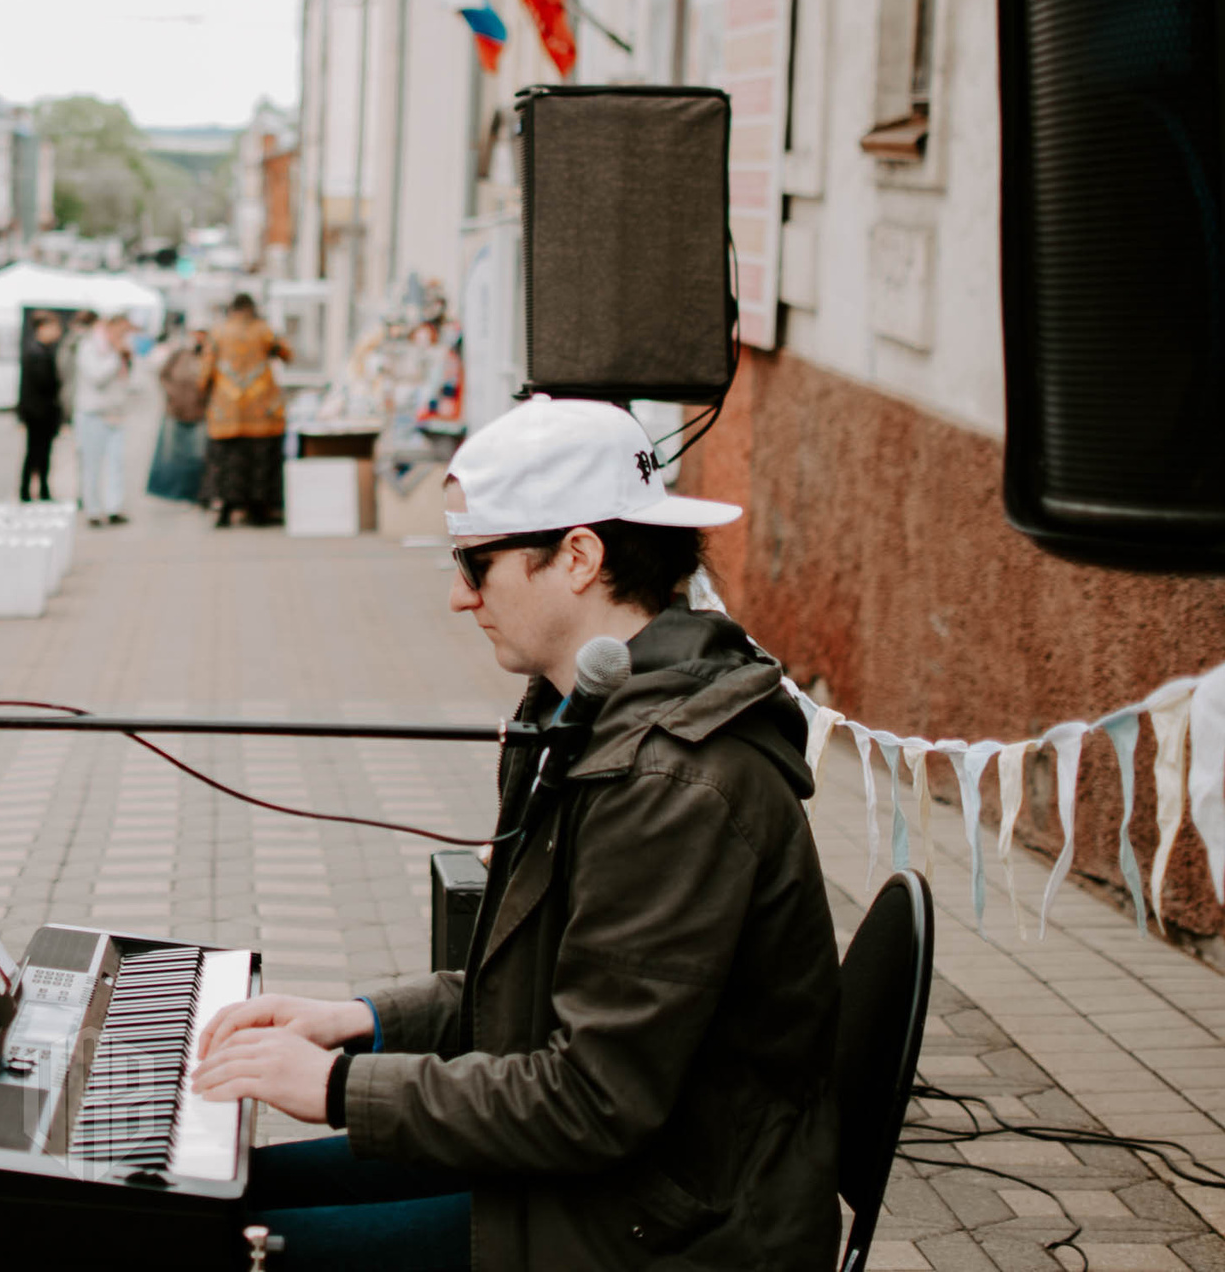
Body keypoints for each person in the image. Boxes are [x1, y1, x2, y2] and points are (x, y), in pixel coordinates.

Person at [190, 396, 839, 1272]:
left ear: (578, 556)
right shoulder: (586, 715)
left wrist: (340, 1088)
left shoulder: (670, 781)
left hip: (665, 1223)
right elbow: (538, 988)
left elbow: (594, 1097)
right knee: (204, 1199)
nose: (461, 597)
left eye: (476, 562)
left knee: (197, 1247)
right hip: (609, 1173)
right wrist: (358, 1022)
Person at [203, 292, 291, 528]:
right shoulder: (264, 330)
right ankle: (259, 511)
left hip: (226, 411)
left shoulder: (218, 331)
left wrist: (205, 391)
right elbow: (286, 353)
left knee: (226, 462)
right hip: (262, 410)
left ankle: (225, 510)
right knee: (260, 462)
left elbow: (206, 368)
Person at [73, 313, 133, 527]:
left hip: (116, 413)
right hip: (93, 413)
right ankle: (93, 509)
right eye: (122, 330)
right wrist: (116, 357)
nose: (124, 335)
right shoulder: (90, 347)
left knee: (115, 463)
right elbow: (97, 376)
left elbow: (126, 383)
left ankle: (114, 507)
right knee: (92, 463)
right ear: (111, 327)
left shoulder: (119, 350)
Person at [146, 327, 212, 502]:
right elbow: (163, 376)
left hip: (198, 412)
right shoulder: (180, 355)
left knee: (197, 455)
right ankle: (171, 490)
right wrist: (171, 394)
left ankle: (194, 492)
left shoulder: (208, 357)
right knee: (172, 454)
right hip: (176, 410)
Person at [15, 313, 65, 502]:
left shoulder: (41, 351)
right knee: (36, 452)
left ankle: (39, 488)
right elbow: (44, 383)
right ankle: (29, 490)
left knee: (41, 453)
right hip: (38, 412)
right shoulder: (37, 353)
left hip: (41, 411)